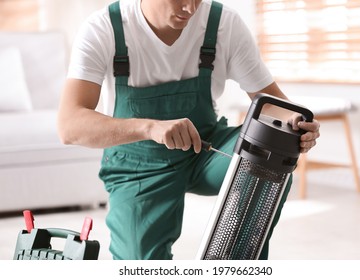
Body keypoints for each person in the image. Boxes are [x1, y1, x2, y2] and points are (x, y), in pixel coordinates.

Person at [57, 0, 320, 260]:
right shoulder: (105, 28)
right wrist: (150, 127)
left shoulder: (223, 25)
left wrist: (298, 124)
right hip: (136, 166)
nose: (190, 8)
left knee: (268, 156)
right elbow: (69, 125)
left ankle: (235, 264)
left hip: (205, 151)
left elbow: (274, 105)